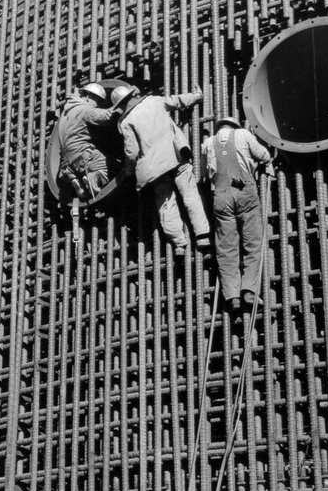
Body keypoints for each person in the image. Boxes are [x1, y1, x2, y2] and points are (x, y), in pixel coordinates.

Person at [113, 84, 211, 255]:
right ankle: (202, 236)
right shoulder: (153, 101)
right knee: (190, 195)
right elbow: (177, 101)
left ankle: (179, 244)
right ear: (133, 94)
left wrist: (129, 171)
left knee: (166, 204)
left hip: (154, 168)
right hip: (176, 156)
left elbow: (132, 152)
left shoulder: (126, 122)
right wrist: (196, 96)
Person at [201, 116, 274, 321]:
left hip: (221, 197)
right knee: (253, 243)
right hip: (244, 192)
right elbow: (264, 155)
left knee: (226, 249)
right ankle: (250, 291)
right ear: (235, 126)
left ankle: (231, 295)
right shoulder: (243, 134)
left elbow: (205, 174)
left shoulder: (207, 143)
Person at [56, 82, 117, 200]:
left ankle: (76, 180)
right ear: (89, 97)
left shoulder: (67, 112)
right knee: (114, 166)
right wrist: (125, 102)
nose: (98, 105)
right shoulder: (84, 109)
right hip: (83, 156)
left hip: (66, 164)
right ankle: (95, 176)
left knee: (79, 167)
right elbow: (107, 116)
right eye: (98, 101)